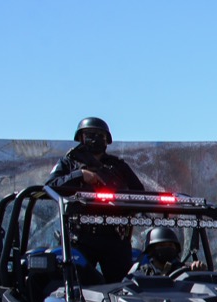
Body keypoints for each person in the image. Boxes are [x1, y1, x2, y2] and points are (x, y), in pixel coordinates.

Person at [47, 117, 146, 281]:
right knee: (77, 286)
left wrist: (118, 195)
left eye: (101, 136)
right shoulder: (69, 163)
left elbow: (139, 194)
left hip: (114, 237)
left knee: (122, 288)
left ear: (107, 140)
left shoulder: (117, 166)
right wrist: (80, 175)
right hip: (81, 237)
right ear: (81, 138)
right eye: (90, 135)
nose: (96, 139)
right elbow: (50, 186)